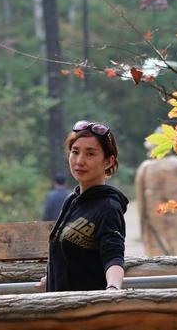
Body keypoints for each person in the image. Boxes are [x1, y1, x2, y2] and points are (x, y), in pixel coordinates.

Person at [41, 120, 128, 292]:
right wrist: (51, 278)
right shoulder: (71, 200)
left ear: (108, 162)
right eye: (75, 152)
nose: (80, 161)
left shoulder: (109, 206)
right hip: (58, 309)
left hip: (85, 311)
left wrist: (113, 287)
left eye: (90, 154)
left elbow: (114, 256)